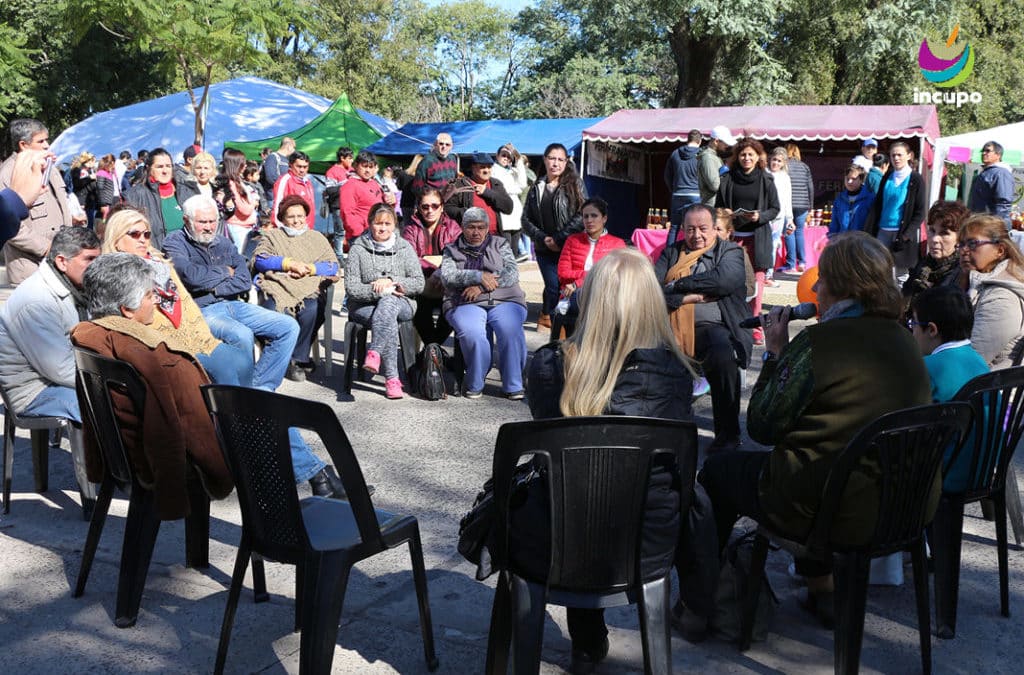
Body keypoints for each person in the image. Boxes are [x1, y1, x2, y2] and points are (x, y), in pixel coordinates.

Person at [699, 231, 931, 627]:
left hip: (834, 509)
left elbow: (762, 426)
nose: (816, 286)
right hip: (901, 507)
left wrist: (775, 354)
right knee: (819, 458)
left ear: (841, 286)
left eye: (822, 278)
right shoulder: (906, 340)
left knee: (719, 470)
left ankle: (701, 601)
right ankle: (822, 589)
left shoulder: (819, 343)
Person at [521, 247, 700, 668]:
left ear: (590, 300)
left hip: (556, 540)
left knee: (575, 490)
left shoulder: (550, 365)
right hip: (648, 542)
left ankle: (587, 641)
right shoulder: (678, 374)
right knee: (599, 493)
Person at [163, 195, 347, 498]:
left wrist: (220, 280)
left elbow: (245, 278)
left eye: (212, 221)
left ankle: (261, 387)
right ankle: (318, 473)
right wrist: (225, 276)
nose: (209, 226)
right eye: (202, 222)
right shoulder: (174, 243)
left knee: (287, 326)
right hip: (203, 313)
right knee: (243, 340)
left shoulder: (221, 241)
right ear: (187, 221)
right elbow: (190, 278)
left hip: (233, 305)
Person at [72, 253, 233, 520]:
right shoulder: (161, 356)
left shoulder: (90, 333)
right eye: (149, 296)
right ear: (127, 309)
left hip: (119, 456)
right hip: (151, 465)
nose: (156, 302)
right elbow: (197, 431)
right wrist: (222, 476)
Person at [101, 208, 253, 387]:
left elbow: (187, 303)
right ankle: (230, 412)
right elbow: (139, 322)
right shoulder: (115, 274)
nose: (142, 239)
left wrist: (203, 338)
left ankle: (249, 408)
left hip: (194, 337)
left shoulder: (161, 264)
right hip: (164, 348)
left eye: (146, 234)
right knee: (225, 369)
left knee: (243, 361)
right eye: (134, 234)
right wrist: (185, 345)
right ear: (117, 239)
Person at [655, 204, 751, 453]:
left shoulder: (729, 251)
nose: (696, 235)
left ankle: (728, 435)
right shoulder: (670, 254)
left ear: (714, 229)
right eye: (690, 229)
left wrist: (677, 285)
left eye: (703, 229)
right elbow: (651, 293)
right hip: (668, 326)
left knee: (723, 356)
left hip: (714, 326)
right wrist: (689, 298)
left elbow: (724, 281)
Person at [0, 227, 100, 423]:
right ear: (62, 262)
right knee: (106, 407)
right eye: (89, 259)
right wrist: (105, 379)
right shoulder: (37, 300)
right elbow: (60, 369)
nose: (96, 267)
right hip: (33, 391)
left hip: (59, 378)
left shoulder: (75, 285)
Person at [440, 207, 528, 399]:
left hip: (505, 298)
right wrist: (477, 276)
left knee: (509, 329)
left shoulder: (500, 244)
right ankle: (475, 381)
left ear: (488, 228)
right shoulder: (451, 249)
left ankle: (513, 384)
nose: (476, 232)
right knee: (473, 333)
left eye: (481, 227)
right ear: (462, 228)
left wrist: (481, 287)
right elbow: (447, 277)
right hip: (464, 301)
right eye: (471, 227)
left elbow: (512, 273)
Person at [908, 285, 989, 492]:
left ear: (932, 330)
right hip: (983, 467)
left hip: (946, 474)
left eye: (914, 323)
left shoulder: (927, 368)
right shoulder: (978, 360)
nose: (912, 331)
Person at [253, 195, 340, 382]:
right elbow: (260, 260)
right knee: (272, 310)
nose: (296, 221)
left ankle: (297, 360)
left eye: (300, 216)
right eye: (291, 216)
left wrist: (310, 268)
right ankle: (278, 357)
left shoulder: (316, 238)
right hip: (277, 285)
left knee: (312, 310)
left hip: (309, 287)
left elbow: (333, 266)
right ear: (282, 218)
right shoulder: (273, 236)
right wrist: (288, 264)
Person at [344, 202, 424, 399]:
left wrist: (393, 283)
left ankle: (375, 351)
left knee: (389, 303)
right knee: (387, 312)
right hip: (364, 306)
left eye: (388, 224)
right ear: (370, 223)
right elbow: (351, 288)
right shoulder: (358, 249)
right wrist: (379, 291)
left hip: (403, 302)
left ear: (395, 225)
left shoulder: (404, 247)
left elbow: (419, 282)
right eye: (379, 223)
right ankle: (392, 380)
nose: (383, 228)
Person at [715, 138, 780, 345]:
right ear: (737, 157)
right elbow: (718, 207)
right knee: (731, 283)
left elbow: (775, 209)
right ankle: (731, 323)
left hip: (757, 240)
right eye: (743, 154)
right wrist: (725, 213)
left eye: (751, 154)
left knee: (756, 288)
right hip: (733, 239)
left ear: (758, 156)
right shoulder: (727, 179)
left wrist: (759, 216)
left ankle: (755, 328)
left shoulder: (766, 180)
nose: (746, 158)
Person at [521, 143, 587, 330]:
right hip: (544, 249)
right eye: (552, 158)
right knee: (552, 286)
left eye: (560, 159)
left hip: (569, 247)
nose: (555, 163)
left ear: (566, 162)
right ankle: (551, 320)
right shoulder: (537, 187)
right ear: (545, 159)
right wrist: (543, 238)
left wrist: (558, 238)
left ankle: (557, 320)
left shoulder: (575, 184)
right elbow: (525, 220)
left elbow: (583, 214)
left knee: (566, 286)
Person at [0, 119, 75, 285]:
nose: (47, 145)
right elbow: (8, 223)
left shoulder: (49, 168)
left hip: (59, 260)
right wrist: (45, 248)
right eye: (40, 141)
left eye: (46, 140)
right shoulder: (8, 174)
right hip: (30, 268)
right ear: (23, 145)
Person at [959, 214, 1024, 370]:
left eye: (973, 243)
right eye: (961, 244)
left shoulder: (1001, 298)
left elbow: (971, 360)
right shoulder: (967, 279)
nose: (963, 251)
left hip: (988, 390)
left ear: (1000, 250)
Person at [402, 187, 462, 344]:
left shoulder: (454, 227)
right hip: (421, 283)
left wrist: (441, 273)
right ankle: (433, 350)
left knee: (455, 307)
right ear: (418, 208)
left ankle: (432, 349)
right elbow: (409, 258)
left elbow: (459, 256)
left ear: (442, 207)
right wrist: (432, 269)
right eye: (425, 206)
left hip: (446, 282)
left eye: (435, 206)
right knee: (419, 309)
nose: (430, 210)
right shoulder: (410, 229)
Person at [555, 197, 626, 326]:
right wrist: (592, 276)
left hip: (605, 294)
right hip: (572, 294)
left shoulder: (617, 244)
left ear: (604, 219)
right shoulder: (572, 240)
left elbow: (614, 276)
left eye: (594, 216)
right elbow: (563, 273)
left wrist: (578, 283)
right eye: (585, 216)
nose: (589, 220)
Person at [864, 141, 927, 283]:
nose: (896, 158)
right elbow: (878, 204)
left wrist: (906, 235)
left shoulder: (916, 179)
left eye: (899, 155)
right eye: (893, 155)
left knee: (900, 274)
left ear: (909, 156)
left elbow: (920, 211)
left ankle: (900, 303)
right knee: (880, 270)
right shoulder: (887, 176)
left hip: (901, 232)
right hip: (883, 230)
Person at [124, 147, 200, 250]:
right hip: (154, 256)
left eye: (168, 166)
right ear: (149, 168)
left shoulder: (188, 191)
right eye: (159, 167)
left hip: (187, 255)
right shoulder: (134, 196)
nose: (165, 171)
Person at [902, 200, 971, 311]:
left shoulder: (961, 275)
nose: (935, 239)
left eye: (944, 233)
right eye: (932, 230)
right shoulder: (923, 265)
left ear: (960, 238)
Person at [443, 153, 513, 233]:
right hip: (470, 237)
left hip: (494, 236)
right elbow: (447, 208)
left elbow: (508, 208)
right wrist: (465, 213)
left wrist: (488, 193)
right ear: (473, 168)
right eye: (482, 167)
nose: (486, 170)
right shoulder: (460, 185)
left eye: (489, 167)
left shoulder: (496, 184)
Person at [340, 150, 394, 241]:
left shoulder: (375, 183)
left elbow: (384, 207)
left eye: (371, 167)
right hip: (362, 236)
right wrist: (359, 234)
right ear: (356, 166)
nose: (368, 170)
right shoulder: (350, 186)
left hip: (378, 234)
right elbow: (347, 213)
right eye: (364, 166)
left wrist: (392, 201)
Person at [214, 148, 259, 255]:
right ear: (235, 165)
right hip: (237, 229)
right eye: (242, 164)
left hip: (246, 227)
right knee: (240, 259)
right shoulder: (229, 184)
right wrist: (253, 203)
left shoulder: (238, 181)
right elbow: (244, 210)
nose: (245, 166)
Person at [665, 129, 704, 242]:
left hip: (678, 194)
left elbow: (667, 176)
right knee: (696, 227)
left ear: (688, 140)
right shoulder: (702, 154)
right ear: (699, 141)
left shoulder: (675, 153)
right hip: (696, 195)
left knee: (674, 227)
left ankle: (668, 256)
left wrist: (673, 190)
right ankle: (693, 254)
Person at [490, 143, 528, 256]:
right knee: (505, 248)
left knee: (515, 248)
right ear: (497, 156)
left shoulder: (513, 171)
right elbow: (503, 188)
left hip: (515, 212)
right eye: (503, 155)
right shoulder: (493, 170)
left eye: (508, 156)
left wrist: (518, 158)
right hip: (503, 211)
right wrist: (515, 189)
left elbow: (522, 184)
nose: (506, 158)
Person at [781, 143, 813, 274]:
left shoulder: (784, 166)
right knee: (799, 232)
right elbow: (810, 187)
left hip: (788, 204)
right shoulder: (805, 166)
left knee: (789, 232)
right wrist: (810, 205)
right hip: (803, 204)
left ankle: (791, 265)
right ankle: (802, 262)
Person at [967, 141, 1015, 226]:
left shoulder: (1001, 173)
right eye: (983, 151)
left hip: (991, 226)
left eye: (988, 151)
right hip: (979, 223)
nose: (984, 153)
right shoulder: (986, 172)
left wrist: (995, 225)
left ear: (998, 155)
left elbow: (1003, 202)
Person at [765, 147, 793, 287]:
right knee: (763, 244)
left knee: (773, 244)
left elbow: (788, 199)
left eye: (778, 161)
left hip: (779, 216)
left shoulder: (785, 177)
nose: (775, 163)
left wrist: (790, 219)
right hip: (765, 214)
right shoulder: (764, 173)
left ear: (783, 163)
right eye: (774, 159)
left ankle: (768, 274)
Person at [271, 151, 316, 229]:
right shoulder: (285, 180)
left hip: (306, 229)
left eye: (305, 167)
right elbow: (277, 206)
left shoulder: (307, 182)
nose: (302, 170)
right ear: (290, 165)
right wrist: (280, 228)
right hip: (290, 230)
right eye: (299, 166)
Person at [324, 146, 354, 257]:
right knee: (340, 232)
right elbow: (330, 190)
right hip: (338, 206)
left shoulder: (352, 171)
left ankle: (353, 255)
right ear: (342, 158)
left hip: (352, 207)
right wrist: (346, 184)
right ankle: (338, 256)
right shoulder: (332, 172)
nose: (352, 161)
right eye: (349, 158)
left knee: (352, 231)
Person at [829, 164, 875, 236]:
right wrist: (832, 237)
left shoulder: (870, 198)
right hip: (843, 241)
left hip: (863, 241)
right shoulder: (839, 199)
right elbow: (834, 222)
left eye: (853, 179)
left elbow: (873, 223)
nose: (849, 182)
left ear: (861, 180)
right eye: (847, 178)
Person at [698, 125, 737, 206]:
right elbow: (715, 185)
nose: (727, 146)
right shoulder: (708, 157)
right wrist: (727, 167)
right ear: (716, 141)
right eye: (725, 143)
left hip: (715, 204)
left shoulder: (713, 156)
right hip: (711, 205)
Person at [260, 136, 295, 203]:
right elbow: (271, 177)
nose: (294, 150)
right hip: (273, 198)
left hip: (284, 197)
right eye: (294, 147)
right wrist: (287, 184)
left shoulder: (287, 160)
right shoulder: (273, 157)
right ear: (289, 146)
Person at [70, 152, 99, 229]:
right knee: (84, 225)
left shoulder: (90, 170)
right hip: (82, 201)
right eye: (93, 161)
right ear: (88, 161)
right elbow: (77, 184)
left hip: (90, 200)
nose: (94, 163)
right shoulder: (77, 170)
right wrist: (90, 178)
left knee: (90, 223)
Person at [95, 154, 119, 221]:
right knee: (106, 220)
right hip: (107, 201)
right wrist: (103, 204)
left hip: (115, 198)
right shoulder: (101, 173)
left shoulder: (112, 172)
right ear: (111, 163)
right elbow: (100, 189)